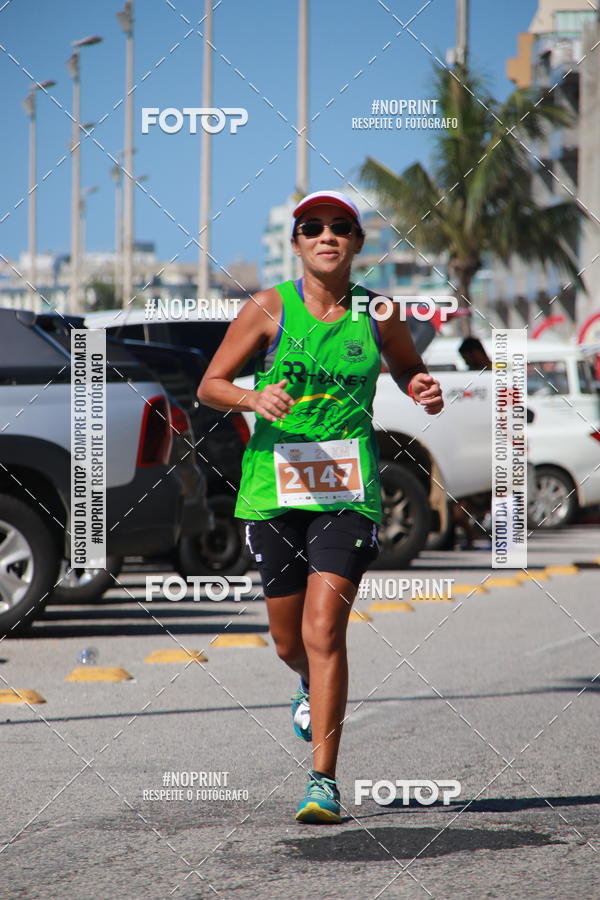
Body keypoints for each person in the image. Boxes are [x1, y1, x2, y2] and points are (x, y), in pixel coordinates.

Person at [197, 190, 443, 824]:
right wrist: (254, 399)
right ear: (297, 243)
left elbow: (407, 367)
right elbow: (210, 385)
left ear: (357, 242)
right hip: (273, 492)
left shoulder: (378, 311)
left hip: (347, 493)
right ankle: (307, 682)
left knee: (323, 630)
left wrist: (420, 385)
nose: (326, 236)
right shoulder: (268, 307)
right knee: (289, 642)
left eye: (340, 227)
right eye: (313, 227)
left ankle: (323, 781)